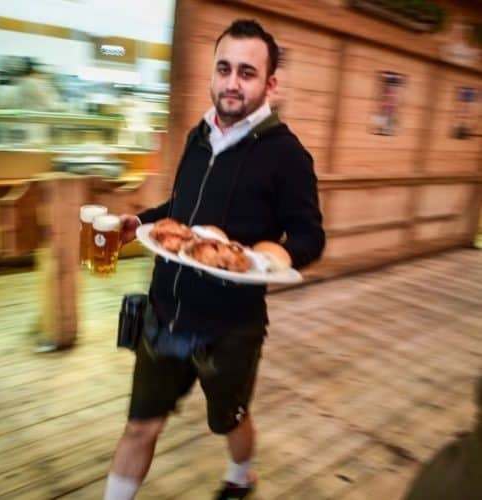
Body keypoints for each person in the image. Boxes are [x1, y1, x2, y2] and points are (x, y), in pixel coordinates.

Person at [104, 19, 325, 500]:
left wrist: (269, 255)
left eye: (247, 72)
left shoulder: (288, 155)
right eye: (224, 68)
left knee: (229, 420)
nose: (231, 82)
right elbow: (179, 212)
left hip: (231, 326)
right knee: (140, 427)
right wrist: (139, 222)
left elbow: (310, 236)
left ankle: (241, 474)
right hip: (164, 311)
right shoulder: (196, 137)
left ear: (271, 83)